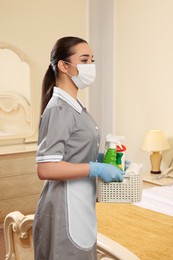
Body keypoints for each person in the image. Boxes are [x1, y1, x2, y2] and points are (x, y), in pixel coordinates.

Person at [33, 36, 124, 260]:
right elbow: (46, 169)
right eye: (84, 60)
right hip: (65, 205)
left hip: (80, 200)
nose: (90, 66)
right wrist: (96, 169)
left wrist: (103, 159)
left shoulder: (76, 108)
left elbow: (73, 154)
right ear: (64, 66)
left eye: (92, 60)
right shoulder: (59, 109)